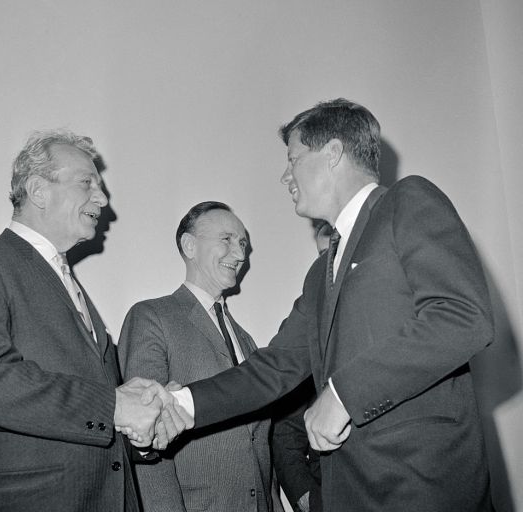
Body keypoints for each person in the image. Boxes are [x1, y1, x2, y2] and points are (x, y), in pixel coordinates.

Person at [141, 98, 494, 511]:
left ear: (332, 153)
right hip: (349, 492)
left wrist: (343, 394)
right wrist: (179, 403)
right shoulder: (319, 274)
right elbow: (272, 368)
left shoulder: (407, 201)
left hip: (422, 486)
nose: (285, 175)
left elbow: (462, 317)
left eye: (293, 159)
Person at [0, 129, 184, 512]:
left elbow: (91, 413)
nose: (103, 199)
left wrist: (144, 422)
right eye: (87, 183)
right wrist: (114, 405)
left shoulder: (69, 284)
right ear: (37, 190)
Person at [118, 201, 278, 512]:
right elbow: (147, 433)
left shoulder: (245, 339)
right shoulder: (152, 317)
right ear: (189, 245)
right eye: (227, 239)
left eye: (243, 243)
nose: (241, 254)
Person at [271, 220, 330, 512]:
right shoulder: (304, 327)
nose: (330, 263)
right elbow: (286, 431)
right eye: (323, 255)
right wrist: (307, 499)